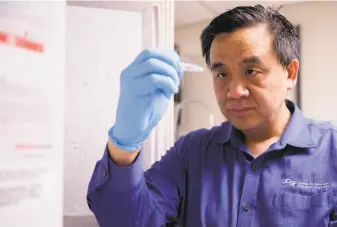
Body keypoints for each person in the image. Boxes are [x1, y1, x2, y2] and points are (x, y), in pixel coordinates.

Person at [87, 5, 337, 227]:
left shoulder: (331, 150)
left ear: (291, 73)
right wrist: (124, 143)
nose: (235, 92)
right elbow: (128, 221)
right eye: (222, 74)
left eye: (251, 70)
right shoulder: (192, 152)